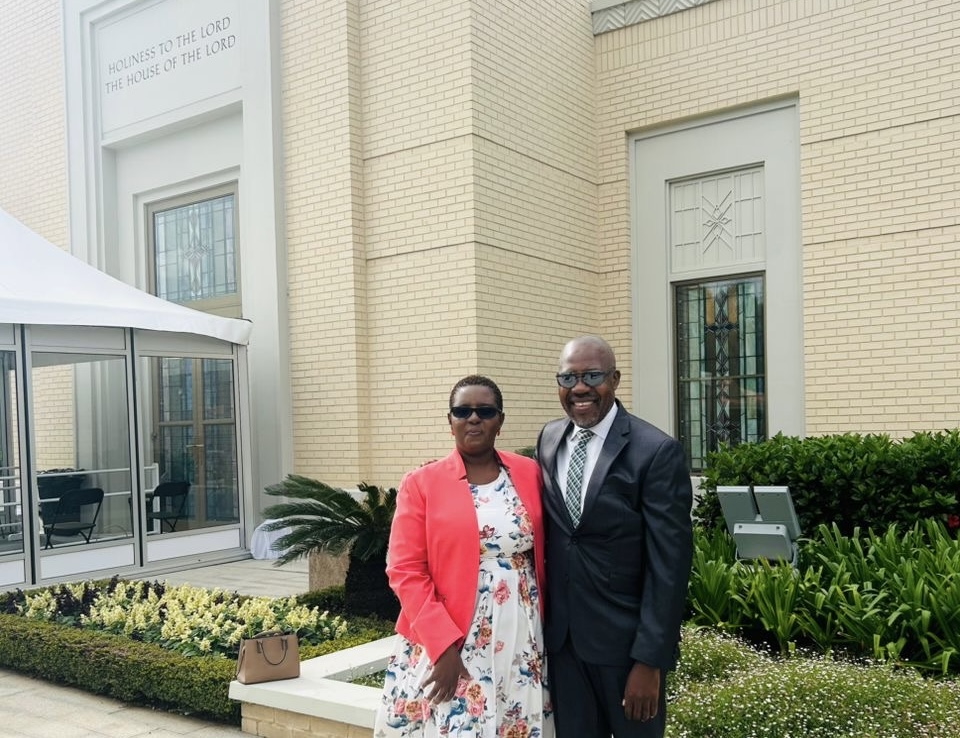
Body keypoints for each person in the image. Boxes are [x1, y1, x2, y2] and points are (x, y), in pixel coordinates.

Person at [375, 375, 554, 737]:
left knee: (512, 720)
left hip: (520, 631)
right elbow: (404, 570)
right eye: (463, 411)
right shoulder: (423, 482)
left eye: (485, 411)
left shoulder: (529, 472)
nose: (474, 419)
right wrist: (442, 648)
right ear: (450, 421)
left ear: (500, 422)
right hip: (449, 633)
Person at [536, 336, 693, 738]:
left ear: (615, 379)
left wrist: (650, 661)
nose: (580, 388)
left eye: (593, 376)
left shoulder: (655, 451)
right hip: (564, 647)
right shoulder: (550, 439)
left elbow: (669, 568)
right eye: (568, 377)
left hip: (626, 652)